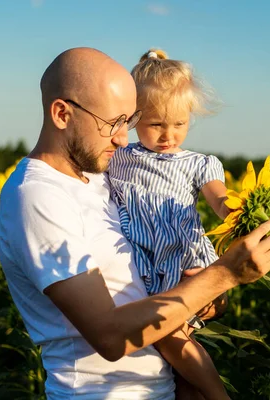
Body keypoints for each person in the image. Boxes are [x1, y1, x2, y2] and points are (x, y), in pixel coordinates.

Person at [0, 46, 270, 400]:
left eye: (128, 122)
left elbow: (143, 286)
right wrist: (224, 274)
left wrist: (207, 296)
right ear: (61, 114)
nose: (121, 138)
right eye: (112, 123)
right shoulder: (37, 197)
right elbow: (110, 336)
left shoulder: (103, 178)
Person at [107, 49, 230, 399]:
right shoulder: (119, 158)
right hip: (144, 266)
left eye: (179, 124)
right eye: (156, 124)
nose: (168, 136)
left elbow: (218, 197)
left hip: (180, 265)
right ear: (132, 118)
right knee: (175, 372)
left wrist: (235, 214)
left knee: (168, 336)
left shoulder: (198, 163)